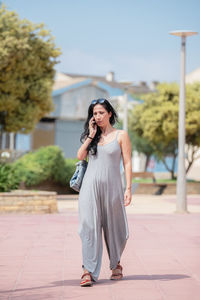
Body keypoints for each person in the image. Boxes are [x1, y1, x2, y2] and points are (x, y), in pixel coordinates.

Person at [77, 98, 132, 287]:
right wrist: (91, 136)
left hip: (113, 187)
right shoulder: (91, 136)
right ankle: (88, 270)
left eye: (101, 112)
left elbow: (127, 162)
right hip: (89, 188)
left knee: (115, 227)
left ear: (109, 113)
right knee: (88, 227)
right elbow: (80, 156)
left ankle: (116, 264)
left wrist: (129, 188)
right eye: (94, 113)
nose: (98, 116)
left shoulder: (121, 135)